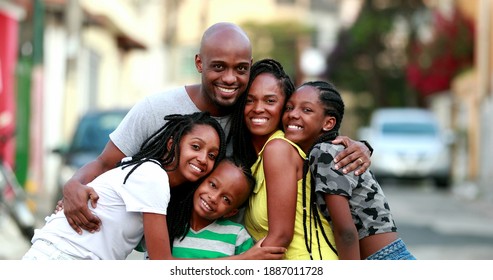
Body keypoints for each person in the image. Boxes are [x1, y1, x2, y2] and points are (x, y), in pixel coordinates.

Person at [60, 22, 370, 235]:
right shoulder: (158, 108)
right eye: (218, 67)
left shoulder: (250, 112)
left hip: (225, 248)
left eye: (241, 69)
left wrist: (357, 146)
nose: (230, 79)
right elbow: (104, 162)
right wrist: (73, 185)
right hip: (160, 243)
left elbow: (307, 124)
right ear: (199, 63)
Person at [23, 112, 226, 260]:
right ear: (172, 145)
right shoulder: (153, 176)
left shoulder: (157, 183)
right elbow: (162, 263)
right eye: (196, 147)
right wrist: (244, 261)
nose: (202, 159)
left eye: (211, 156)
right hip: (61, 259)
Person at [282, 80, 416, 260]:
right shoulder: (325, 151)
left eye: (306, 110)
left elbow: (345, 231)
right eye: (289, 108)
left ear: (328, 123)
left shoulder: (324, 153)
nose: (293, 114)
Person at [230, 59, 347, 259]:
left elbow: (281, 237)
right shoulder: (261, 156)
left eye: (270, 101)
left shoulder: (278, 149)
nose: (258, 108)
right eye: (250, 100)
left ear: (285, 107)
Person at [166, 157, 268, 259]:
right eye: (213, 185)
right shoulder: (169, 224)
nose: (214, 198)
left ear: (231, 212)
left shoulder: (237, 236)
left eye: (226, 199)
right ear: (202, 180)